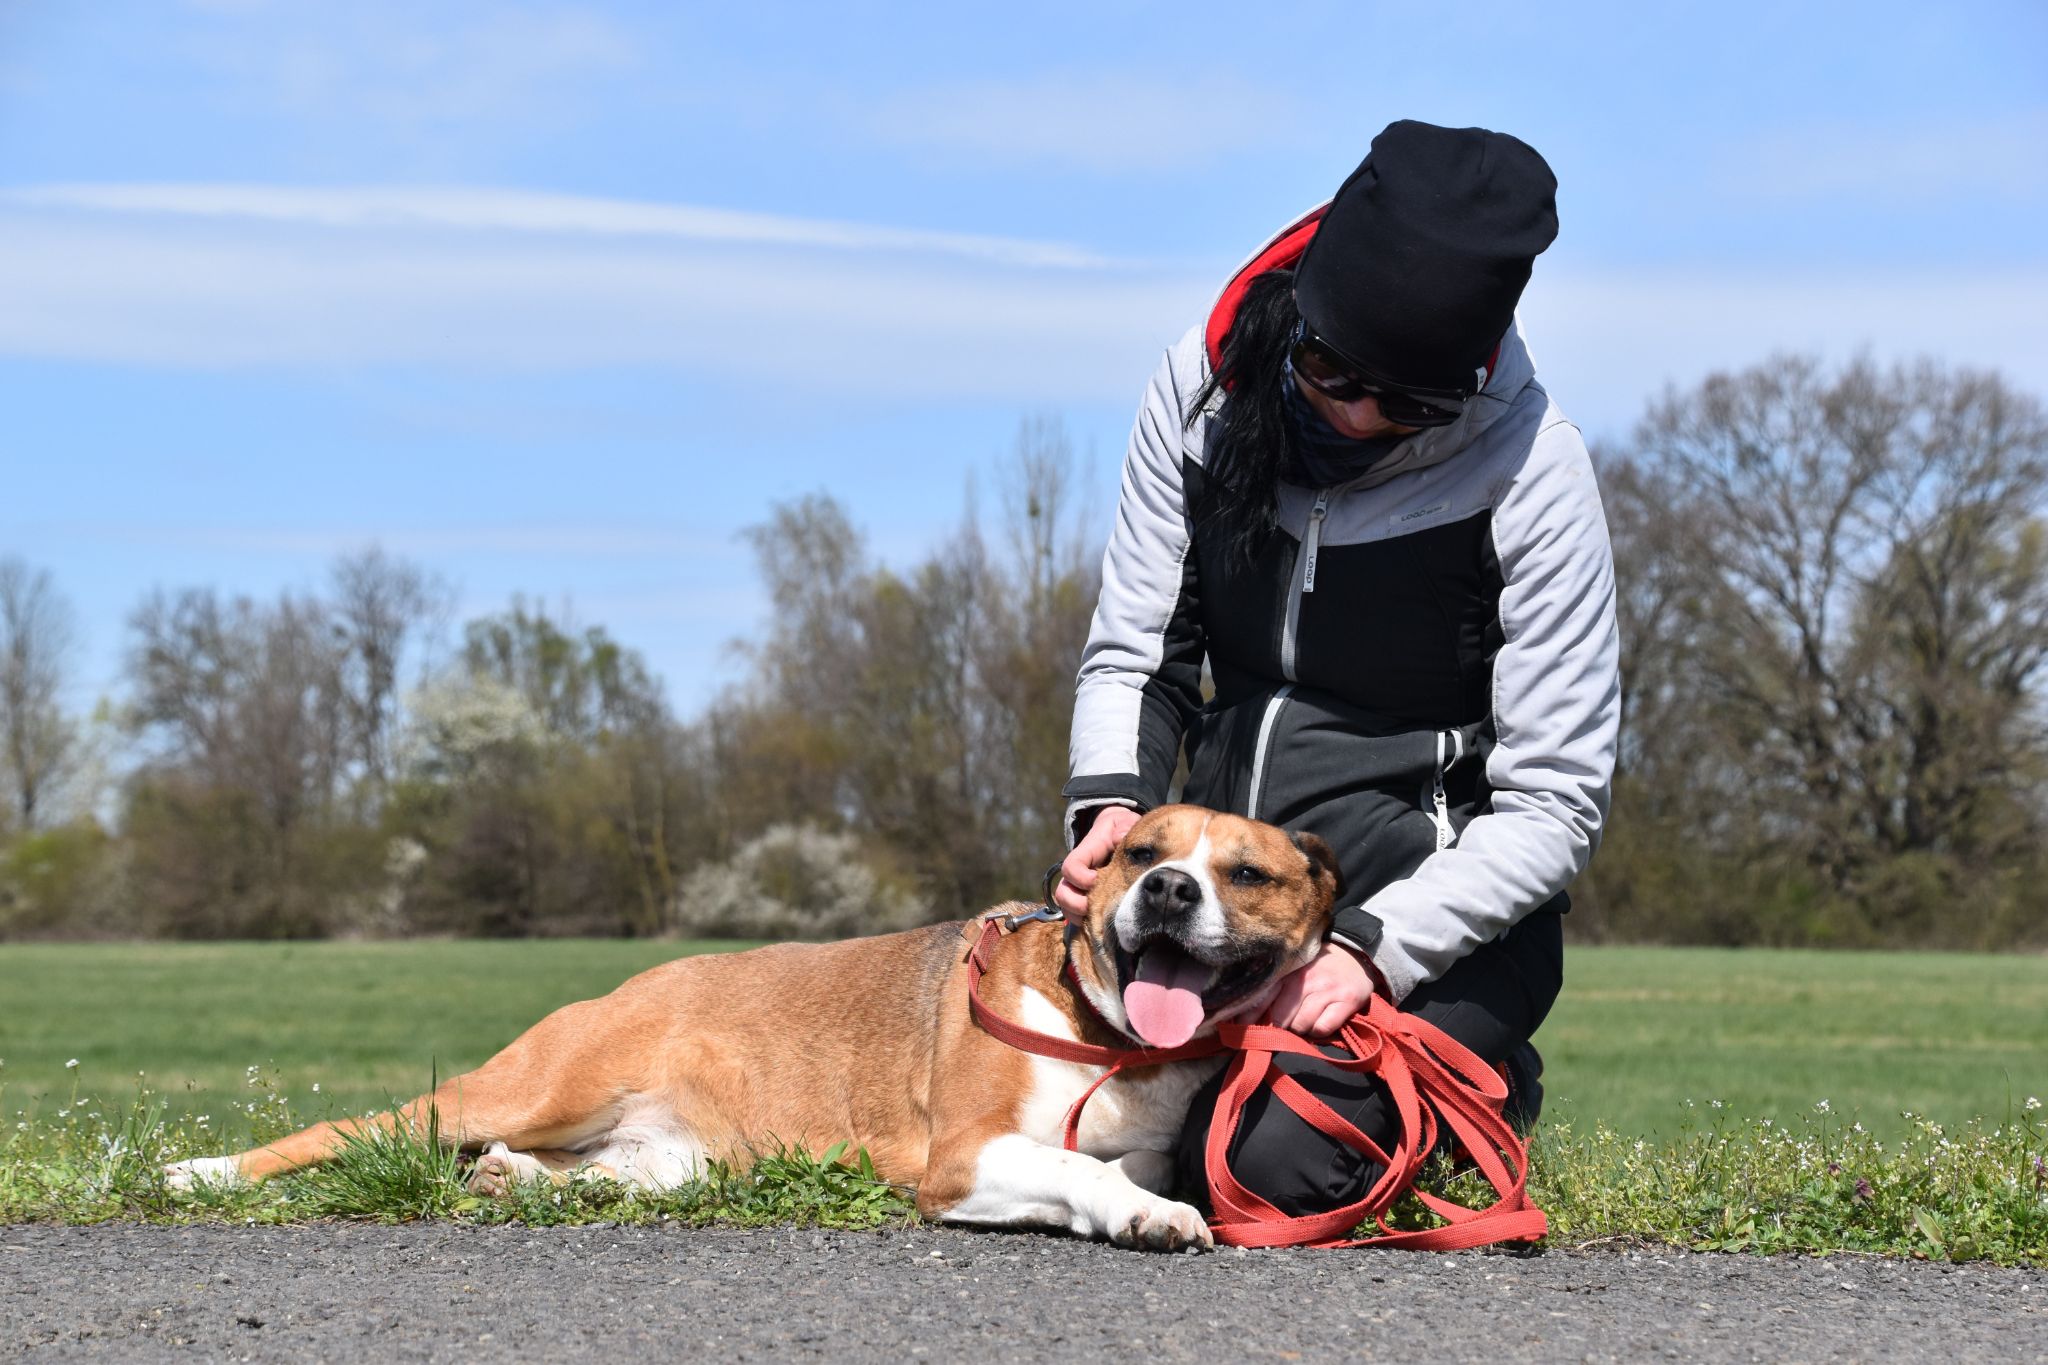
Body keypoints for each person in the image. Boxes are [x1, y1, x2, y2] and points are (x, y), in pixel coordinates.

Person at [1052, 119, 1620, 1216]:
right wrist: (1107, 813)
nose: (1357, 418)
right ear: (1300, 308)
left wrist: (1370, 952)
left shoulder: (1535, 471)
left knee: (1261, 1176)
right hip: (1214, 896)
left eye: (1410, 405)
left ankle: (1478, 1079)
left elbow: (1553, 805)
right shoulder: (1197, 388)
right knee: (1070, 1126)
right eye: (1327, 372)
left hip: (1428, 915)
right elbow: (1137, 649)